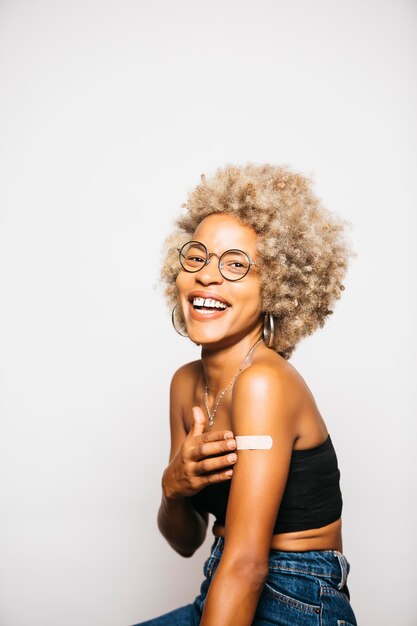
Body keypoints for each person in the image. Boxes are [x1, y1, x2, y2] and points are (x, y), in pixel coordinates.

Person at [132, 163, 358, 626]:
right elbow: (185, 541)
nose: (208, 276)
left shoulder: (264, 384)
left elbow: (250, 565)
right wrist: (173, 488)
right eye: (197, 257)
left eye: (236, 265)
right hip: (222, 579)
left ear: (275, 288)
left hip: (296, 598)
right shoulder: (185, 384)